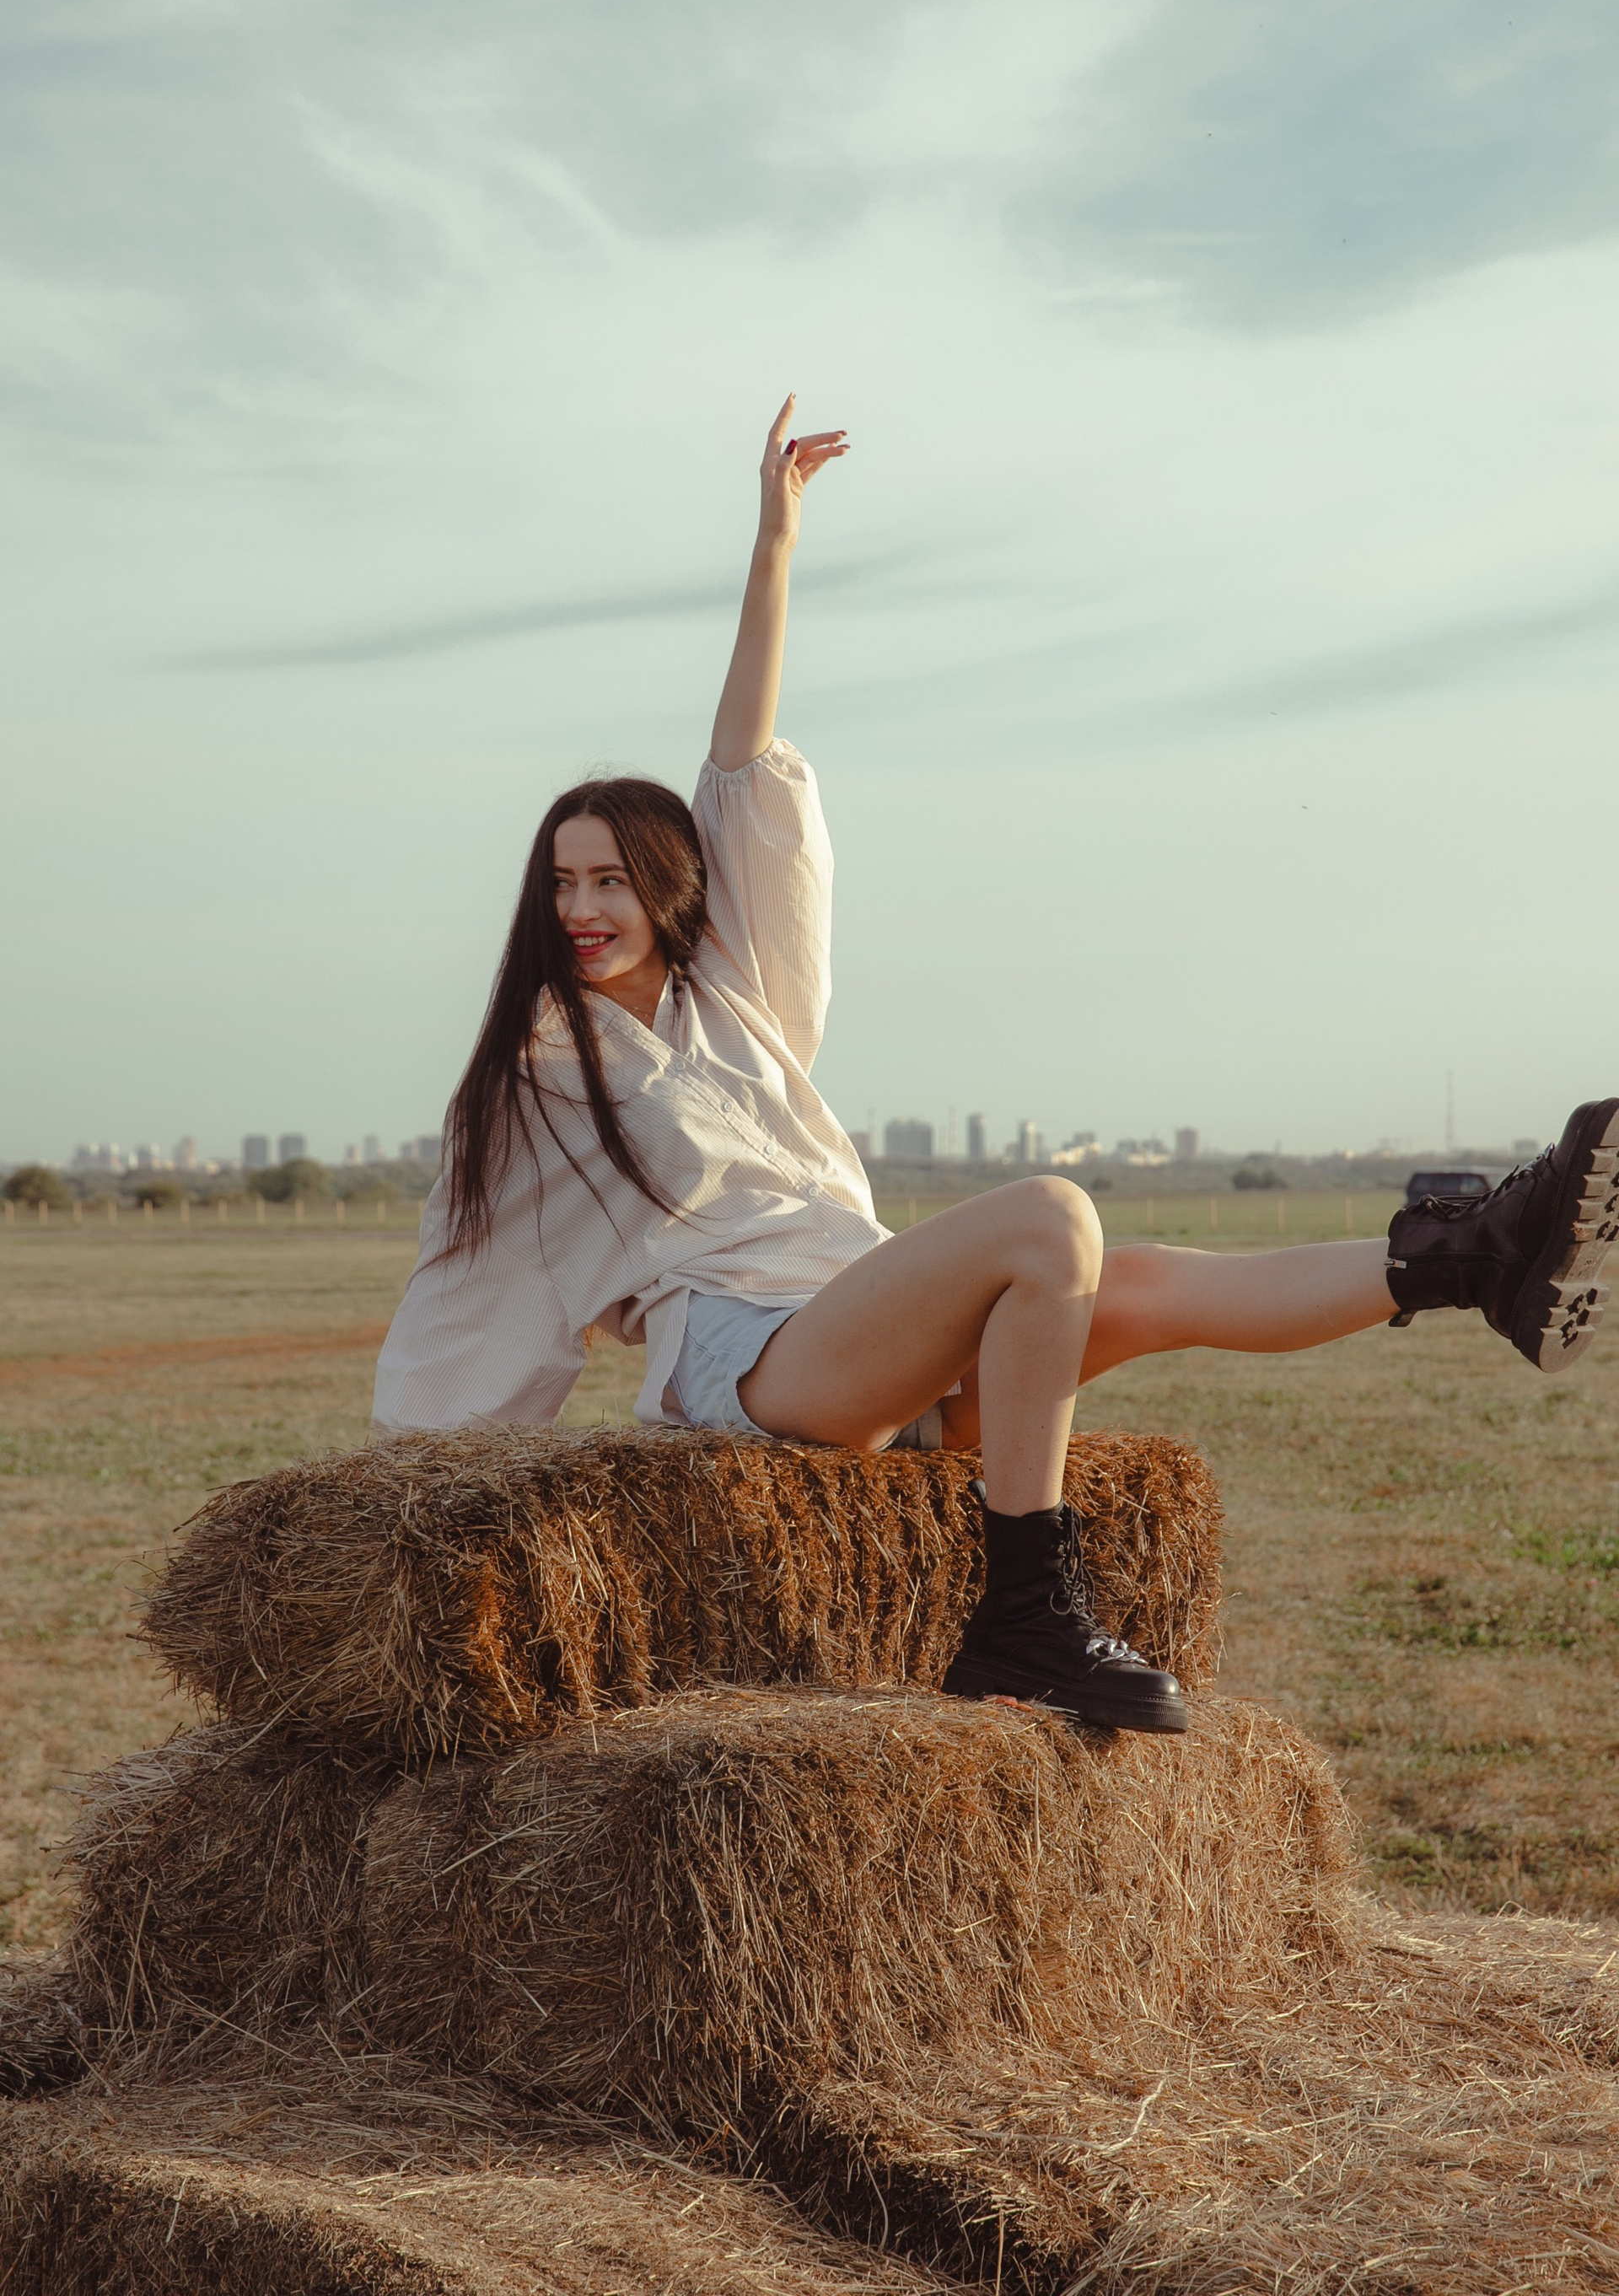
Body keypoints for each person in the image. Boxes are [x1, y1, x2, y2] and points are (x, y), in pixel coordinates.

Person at [374, 397, 1619, 1737]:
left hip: (867, 1328)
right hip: (759, 1369)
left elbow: (738, 770)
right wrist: (395, 1516)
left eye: (612, 878)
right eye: (563, 882)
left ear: (671, 892)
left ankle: (1474, 1259)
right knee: (1048, 1218)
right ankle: (1025, 1608)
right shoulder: (539, 1077)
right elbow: (472, 1280)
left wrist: (774, 545)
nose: (582, 907)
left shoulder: (733, 994)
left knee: (1136, 1282)